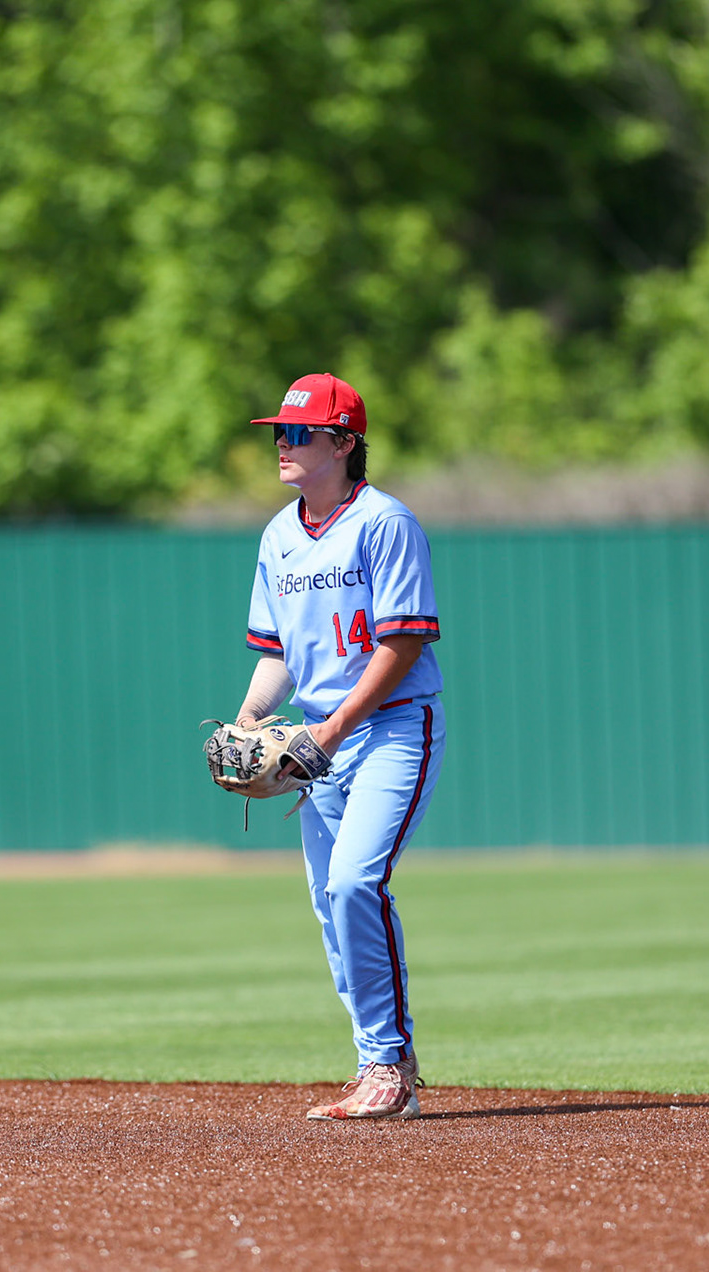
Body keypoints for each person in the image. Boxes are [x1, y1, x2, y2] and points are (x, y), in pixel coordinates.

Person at [236, 373, 445, 1120]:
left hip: (391, 727)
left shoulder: (385, 523)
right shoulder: (278, 535)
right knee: (332, 904)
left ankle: (388, 1067)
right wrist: (254, 718)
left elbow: (404, 647)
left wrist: (325, 733)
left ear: (344, 443)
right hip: (318, 740)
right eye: (278, 433)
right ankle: (378, 1062)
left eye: (298, 434)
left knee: (357, 883)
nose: (283, 446)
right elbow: (279, 654)